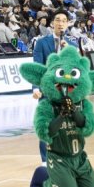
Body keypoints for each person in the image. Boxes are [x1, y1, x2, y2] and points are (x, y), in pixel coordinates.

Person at [32, 9, 78, 166]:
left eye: (64, 20)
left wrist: (67, 51)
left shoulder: (71, 45)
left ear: (67, 24)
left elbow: (75, 69)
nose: (61, 23)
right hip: (46, 90)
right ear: (52, 23)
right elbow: (37, 66)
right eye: (58, 20)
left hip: (65, 92)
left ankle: (63, 155)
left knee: (65, 125)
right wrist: (35, 87)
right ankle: (45, 160)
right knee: (45, 123)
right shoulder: (41, 43)